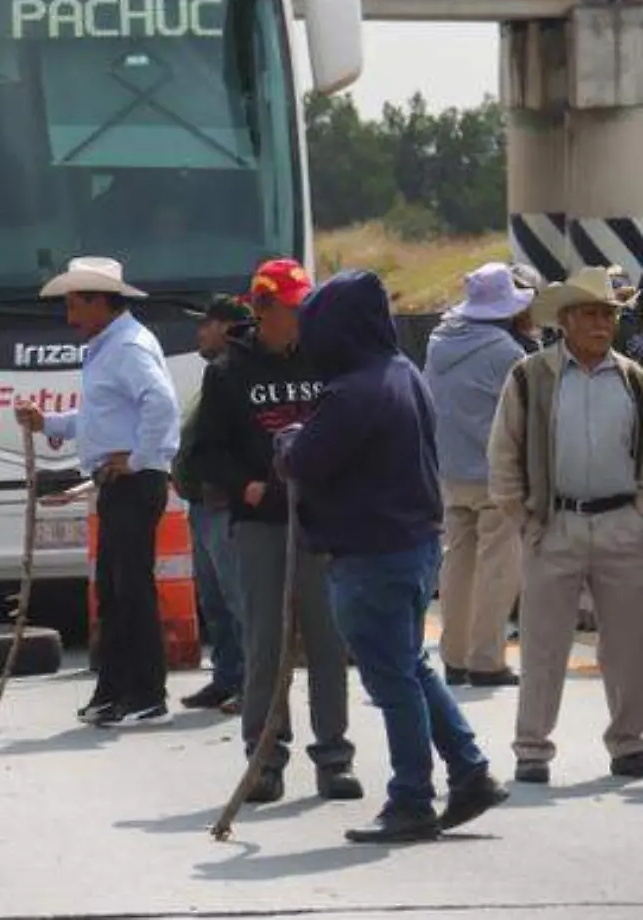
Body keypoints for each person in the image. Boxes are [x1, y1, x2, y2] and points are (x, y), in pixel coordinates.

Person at [278, 270, 506, 844]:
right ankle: (470, 769)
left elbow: (305, 460)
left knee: (392, 681)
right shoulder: (399, 372)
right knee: (411, 666)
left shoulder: (353, 390)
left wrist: (287, 442)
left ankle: (411, 799)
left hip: (371, 554)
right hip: (413, 544)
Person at [195, 260, 359, 804]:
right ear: (261, 308)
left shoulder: (325, 359)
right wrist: (242, 484)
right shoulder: (225, 371)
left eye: (306, 307)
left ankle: (334, 756)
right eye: (293, 308)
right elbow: (204, 452)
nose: (301, 318)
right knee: (266, 642)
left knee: (328, 642)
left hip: (319, 521)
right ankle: (264, 756)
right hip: (261, 526)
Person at [487, 267, 643, 786]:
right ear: (568, 321)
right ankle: (532, 749)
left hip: (623, 522)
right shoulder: (531, 376)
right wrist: (524, 520)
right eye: (593, 314)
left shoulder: (633, 378)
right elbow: (504, 452)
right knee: (543, 643)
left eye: (610, 315)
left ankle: (629, 743)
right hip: (555, 523)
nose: (603, 324)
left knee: (628, 645)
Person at [15, 257, 180, 729]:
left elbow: (160, 403)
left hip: (131, 481)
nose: (69, 317)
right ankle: (114, 691)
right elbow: (102, 418)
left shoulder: (127, 347)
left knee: (132, 591)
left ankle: (147, 694)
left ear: (100, 301)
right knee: (112, 591)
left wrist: (140, 458)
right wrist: (49, 424)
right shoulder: (109, 346)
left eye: (75, 304)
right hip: (118, 479)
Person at [424, 264, 532, 688]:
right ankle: (486, 659)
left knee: (457, 564)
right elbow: (527, 418)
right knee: (499, 568)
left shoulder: (438, 342)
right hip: (496, 474)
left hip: (450, 471)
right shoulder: (507, 352)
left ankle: (454, 657)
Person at [174, 297, 252, 714]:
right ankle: (226, 677)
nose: (200, 331)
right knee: (215, 602)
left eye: (207, 323)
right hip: (203, 503)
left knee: (240, 600)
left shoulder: (237, 375)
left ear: (228, 328)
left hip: (226, 505)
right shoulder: (214, 374)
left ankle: (251, 684)